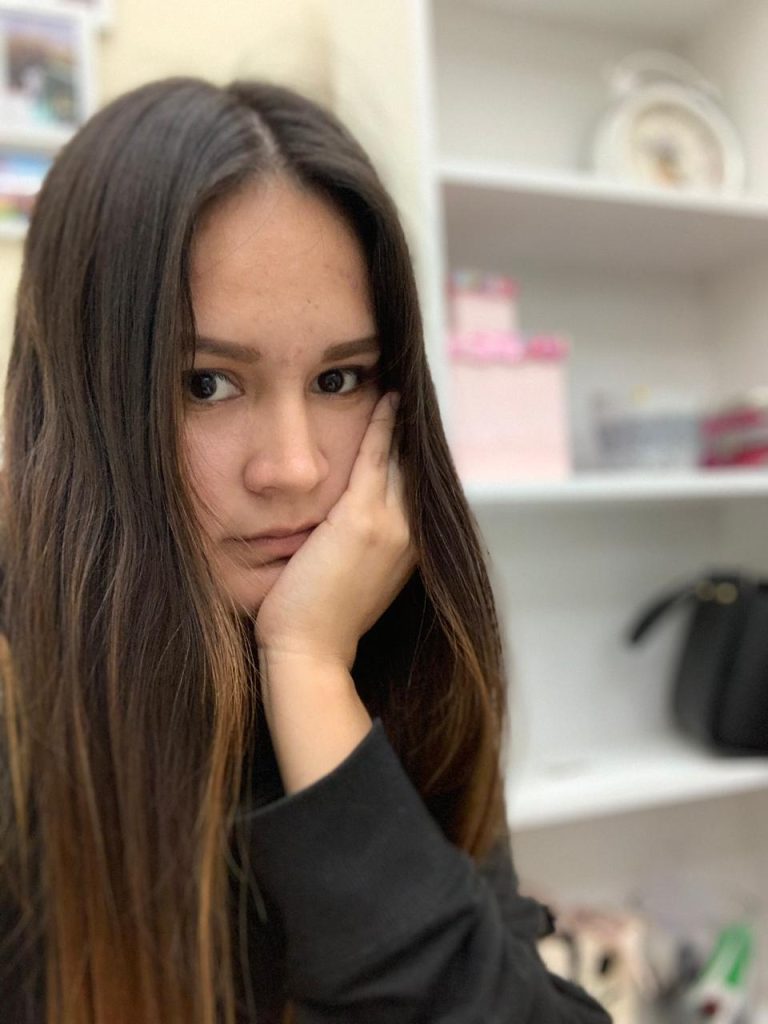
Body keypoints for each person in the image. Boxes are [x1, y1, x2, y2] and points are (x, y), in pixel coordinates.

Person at [0, 76, 611, 1024]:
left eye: (339, 378)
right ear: (83, 398)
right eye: (206, 384)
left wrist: (311, 674)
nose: (293, 468)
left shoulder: (398, 651)